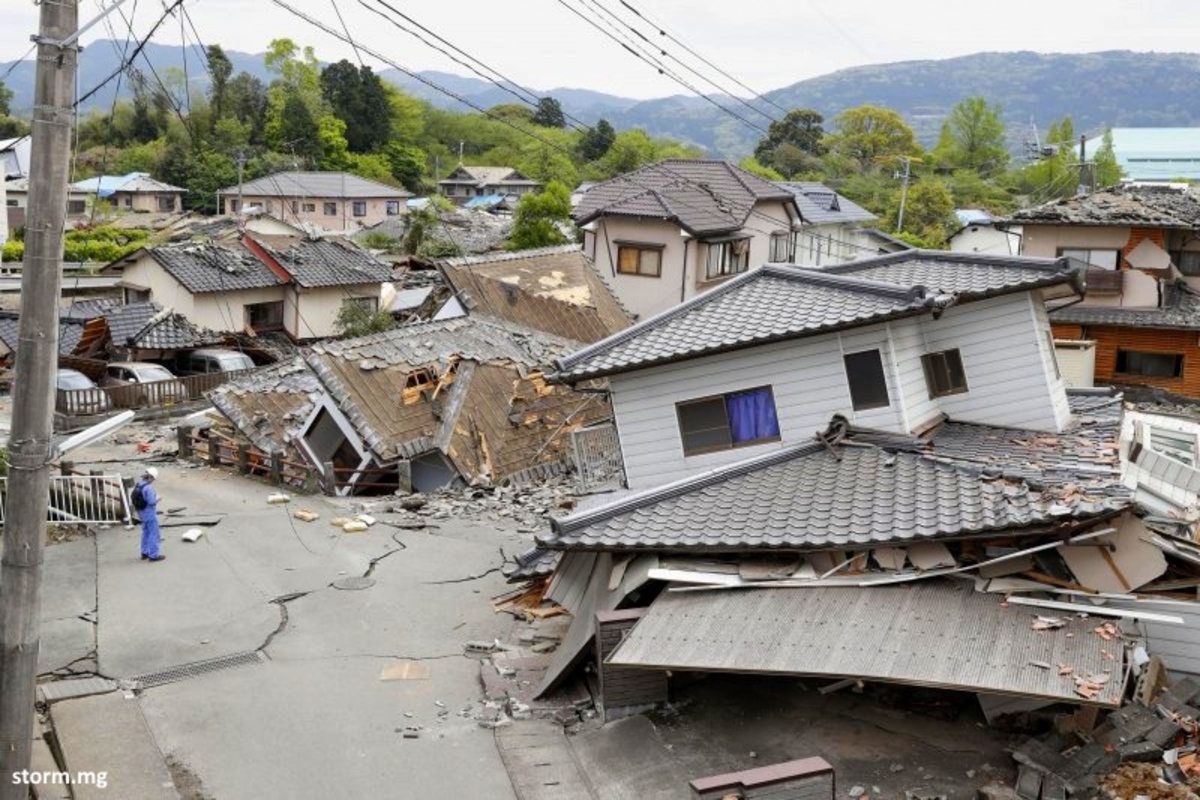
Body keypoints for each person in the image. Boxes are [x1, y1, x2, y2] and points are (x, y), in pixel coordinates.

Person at [136, 467, 164, 562]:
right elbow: (152, 502)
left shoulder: (138, 485)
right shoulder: (148, 488)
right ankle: (153, 555)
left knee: (145, 532)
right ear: (151, 477)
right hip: (149, 513)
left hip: (141, 513)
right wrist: (158, 499)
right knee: (154, 534)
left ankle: (144, 552)